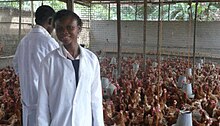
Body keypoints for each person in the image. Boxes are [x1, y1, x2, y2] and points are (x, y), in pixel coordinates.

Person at [36, 9, 104, 126]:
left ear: (79, 29)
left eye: (70, 27)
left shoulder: (91, 60)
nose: (64, 32)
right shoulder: (49, 62)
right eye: (59, 29)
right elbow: (43, 103)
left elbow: (96, 100)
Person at [13, 5, 59, 126]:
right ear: (50, 21)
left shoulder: (23, 42)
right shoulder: (49, 42)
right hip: (43, 103)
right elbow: (59, 72)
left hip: (27, 102)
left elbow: (16, 67)